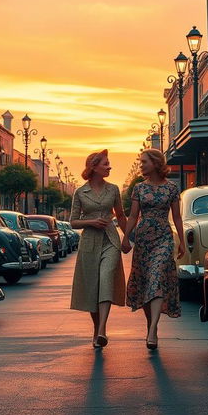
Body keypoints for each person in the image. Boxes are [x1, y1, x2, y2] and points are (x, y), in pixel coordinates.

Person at [123, 149, 185, 350]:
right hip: (143, 238)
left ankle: (152, 330)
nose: (141, 165)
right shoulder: (139, 188)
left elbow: (176, 217)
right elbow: (133, 216)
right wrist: (125, 237)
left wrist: (181, 241)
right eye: (140, 162)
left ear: (156, 162)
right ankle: (152, 327)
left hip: (164, 237)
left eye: (144, 162)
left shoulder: (172, 188)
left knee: (157, 278)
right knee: (146, 283)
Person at [70, 149, 128, 348]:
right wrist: (92, 221)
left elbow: (120, 216)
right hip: (89, 243)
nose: (109, 167)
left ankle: (102, 329)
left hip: (111, 240)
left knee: (106, 280)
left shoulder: (113, 189)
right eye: (105, 164)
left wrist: (127, 237)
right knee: (93, 288)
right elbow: (72, 222)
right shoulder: (80, 192)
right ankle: (97, 330)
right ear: (93, 167)